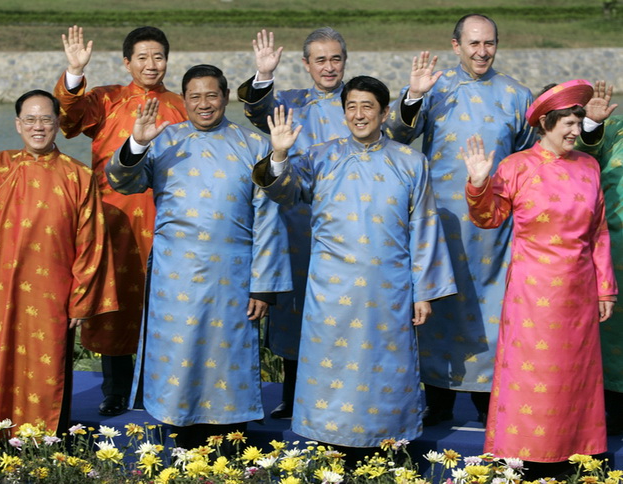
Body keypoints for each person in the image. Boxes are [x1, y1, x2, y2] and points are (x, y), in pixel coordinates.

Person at [256, 76, 456, 460]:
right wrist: (279, 155)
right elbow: (282, 192)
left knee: (386, 372)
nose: (359, 114)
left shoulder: (411, 161)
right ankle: (329, 449)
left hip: (390, 291)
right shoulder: (319, 156)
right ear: (343, 111)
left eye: (368, 107)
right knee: (333, 375)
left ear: (384, 113)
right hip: (331, 291)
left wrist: (425, 292)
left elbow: (424, 228)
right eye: (351, 107)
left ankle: (388, 450)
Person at [105, 64, 292, 450]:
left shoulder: (253, 145)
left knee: (228, 362)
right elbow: (121, 181)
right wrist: (136, 144)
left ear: (225, 97)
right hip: (176, 276)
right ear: (184, 100)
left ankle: (231, 447)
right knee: (179, 358)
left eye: (212, 95)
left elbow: (269, 219)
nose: (204, 104)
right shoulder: (163, 139)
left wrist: (264, 286)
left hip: (235, 276)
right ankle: (180, 443)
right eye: (195, 97)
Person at [0, 90, 117, 435]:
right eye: (30, 119)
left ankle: (44, 444)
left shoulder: (78, 176)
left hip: (52, 295)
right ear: (18, 124)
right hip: (0, 290)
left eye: (46, 119)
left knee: (47, 368)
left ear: (58, 124)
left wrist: (80, 302)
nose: (38, 126)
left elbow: (91, 242)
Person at [386, 13, 536, 425]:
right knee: (440, 305)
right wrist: (413, 98)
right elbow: (394, 137)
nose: (482, 51)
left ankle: (496, 406)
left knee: (496, 311)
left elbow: (531, 159)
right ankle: (437, 402)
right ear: (456, 46)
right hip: (443, 226)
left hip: (496, 233)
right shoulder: (435, 88)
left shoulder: (517, 95)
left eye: (489, 43)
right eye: (473, 44)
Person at [463, 79, 616, 471]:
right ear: (545, 123)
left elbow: (598, 231)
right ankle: (525, 458)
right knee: (531, 379)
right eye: (566, 122)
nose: (574, 130)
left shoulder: (589, 166)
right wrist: (479, 184)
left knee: (575, 375)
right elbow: (486, 218)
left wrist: (605, 289)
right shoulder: (516, 166)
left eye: (578, 121)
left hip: (579, 292)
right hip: (531, 295)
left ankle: (577, 451)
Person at [54, 25, 188, 416]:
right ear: (127, 62)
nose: (151, 64)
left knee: (163, 304)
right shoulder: (107, 99)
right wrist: (75, 72)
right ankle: (115, 390)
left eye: (158, 56)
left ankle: (157, 388)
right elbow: (70, 120)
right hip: (114, 221)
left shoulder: (182, 105)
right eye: (142, 57)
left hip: (169, 221)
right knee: (115, 304)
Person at [237, 27, 352, 419]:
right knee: (296, 312)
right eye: (320, 59)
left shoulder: (359, 102)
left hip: (350, 229)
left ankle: (346, 396)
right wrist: (265, 74)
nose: (329, 67)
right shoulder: (288, 103)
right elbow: (255, 110)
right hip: (297, 229)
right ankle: (292, 393)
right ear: (306, 64)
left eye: (336, 58)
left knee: (347, 313)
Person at [575, 80, 622, 436]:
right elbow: (582, 155)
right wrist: (592, 125)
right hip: (614, 255)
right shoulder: (613, 130)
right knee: (612, 343)